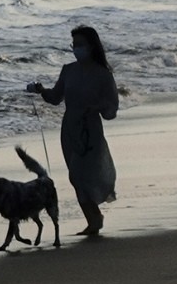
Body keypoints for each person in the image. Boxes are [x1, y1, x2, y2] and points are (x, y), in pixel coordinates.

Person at [27, 26, 119, 238]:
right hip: (69, 128)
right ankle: (94, 220)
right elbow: (56, 98)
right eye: (74, 45)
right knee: (75, 176)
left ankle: (94, 219)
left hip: (91, 129)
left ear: (91, 46)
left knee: (83, 174)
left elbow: (111, 110)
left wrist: (97, 107)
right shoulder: (68, 70)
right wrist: (41, 90)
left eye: (80, 44)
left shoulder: (103, 74)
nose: (76, 49)